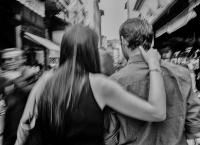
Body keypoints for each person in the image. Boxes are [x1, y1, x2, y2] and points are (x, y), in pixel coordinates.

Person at [14, 24, 166, 145]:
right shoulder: (99, 85)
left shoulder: (46, 79)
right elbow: (157, 113)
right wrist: (154, 65)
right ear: (91, 51)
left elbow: (24, 127)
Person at [105, 18, 200, 145]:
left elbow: (110, 137)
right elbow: (194, 126)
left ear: (123, 40)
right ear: (152, 40)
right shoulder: (181, 73)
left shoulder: (113, 83)